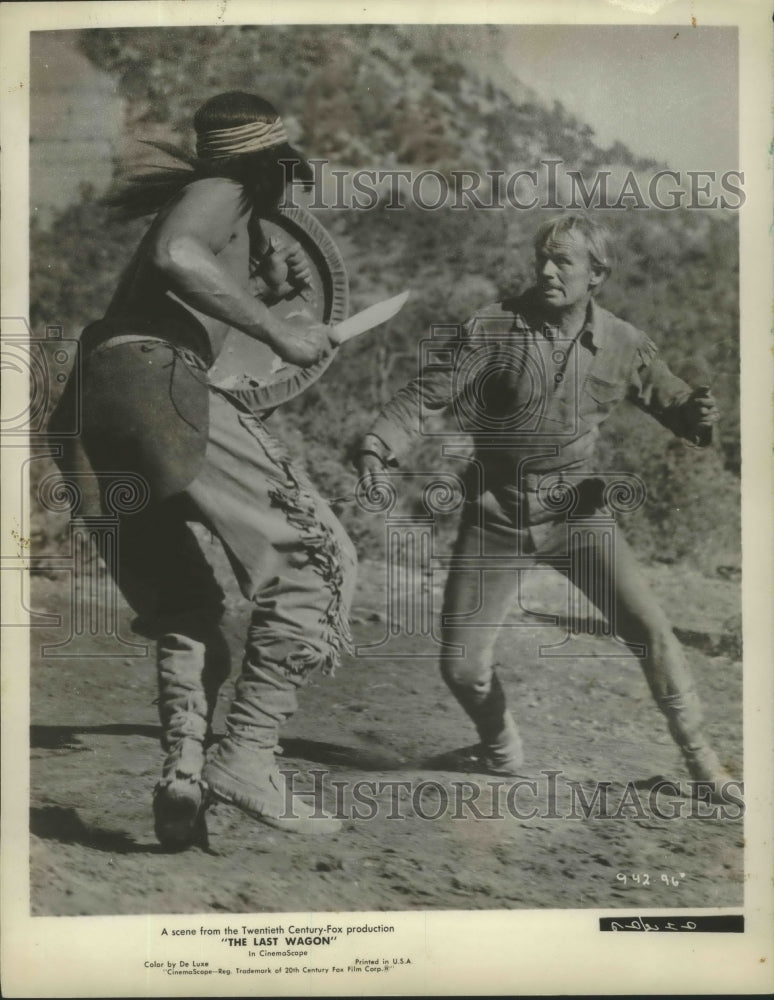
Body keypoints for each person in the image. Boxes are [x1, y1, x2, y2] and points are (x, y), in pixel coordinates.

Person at [49, 91, 357, 846]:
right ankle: (247, 757)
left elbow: (183, 274)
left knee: (186, 604)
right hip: (154, 383)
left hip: (92, 409)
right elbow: (178, 256)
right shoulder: (222, 190)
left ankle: (182, 774)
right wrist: (281, 336)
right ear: (270, 167)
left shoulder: (215, 204)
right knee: (318, 562)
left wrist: (260, 286)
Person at [357, 212, 732, 795]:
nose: (548, 270)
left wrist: (697, 415)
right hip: (497, 513)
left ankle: (705, 766)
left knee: (653, 629)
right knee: (461, 667)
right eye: (544, 259)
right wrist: (379, 444)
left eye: (565, 261)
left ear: (596, 275)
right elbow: (424, 395)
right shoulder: (492, 328)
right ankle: (500, 749)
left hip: (577, 513)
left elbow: (677, 403)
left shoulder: (626, 344)